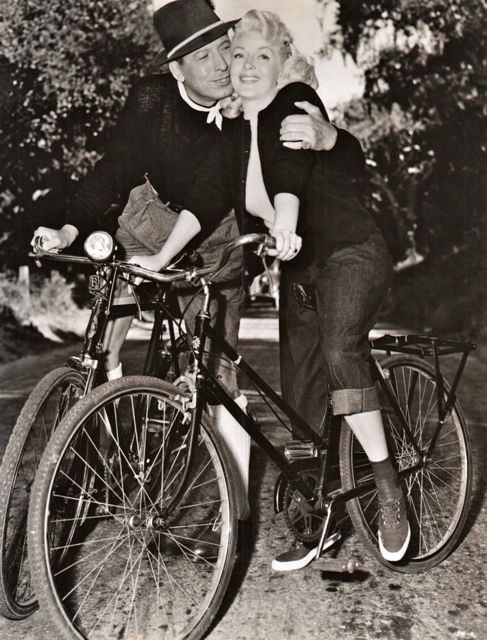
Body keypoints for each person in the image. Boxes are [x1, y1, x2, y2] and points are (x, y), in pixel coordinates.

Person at [30, 0, 357, 522]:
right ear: (176, 68)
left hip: (217, 238)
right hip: (150, 224)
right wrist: (69, 226)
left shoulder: (248, 101)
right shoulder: (150, 100)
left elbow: (283, 132)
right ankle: (107, 438)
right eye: (204, 57)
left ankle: (233, 513)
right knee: (105, 333)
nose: (223, 65)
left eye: (225, 49)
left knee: (215, 371)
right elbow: (113, 169)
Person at [128, 9, 411, 569]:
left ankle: (387, 485)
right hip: (300, 269)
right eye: (239, 55)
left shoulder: (293, 99)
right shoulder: (234, 132)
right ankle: (323, 511)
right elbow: (208, 196)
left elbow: (289, 172)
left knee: (339, 350)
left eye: (263, 55)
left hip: (351, 251)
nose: (249, 65)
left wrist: (285, 217)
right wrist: (160, 257)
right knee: (301, 394)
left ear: (284, 63)